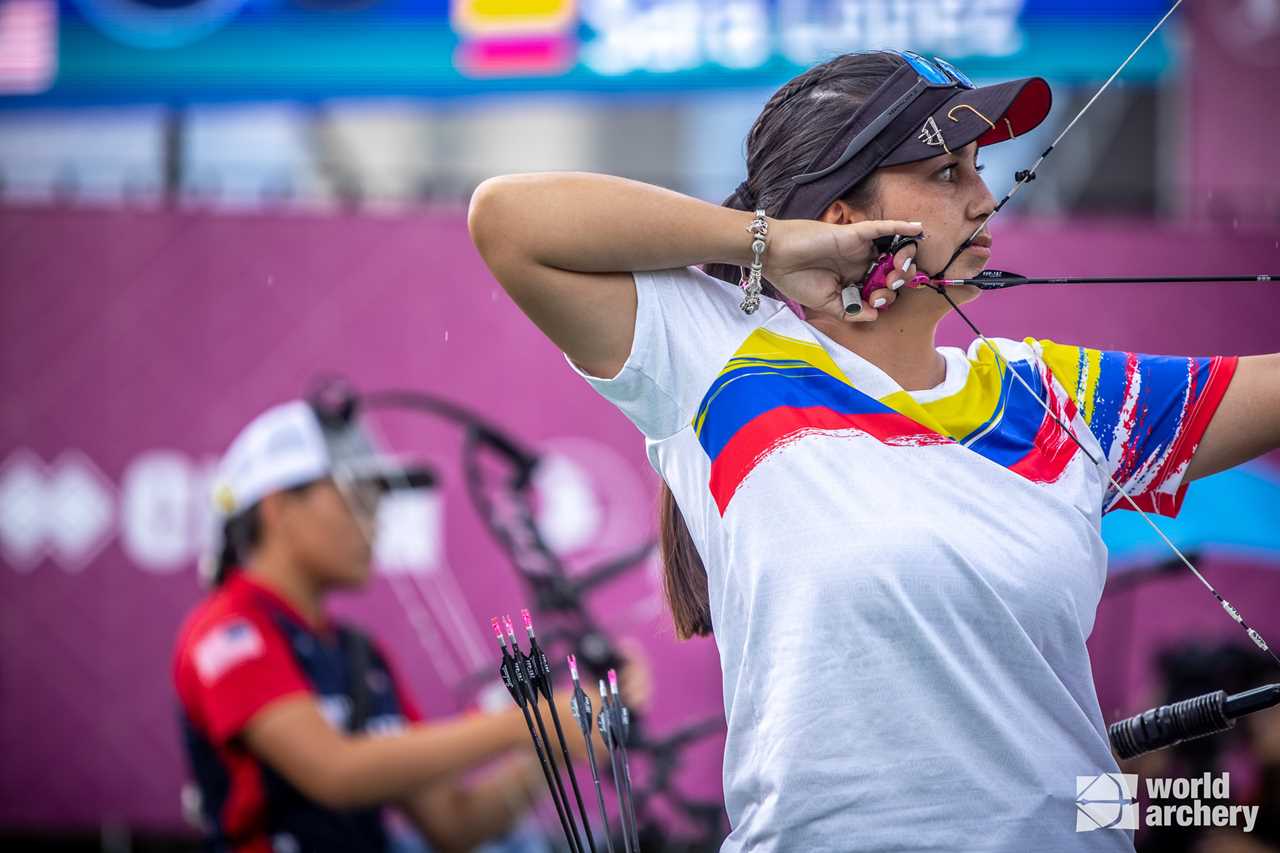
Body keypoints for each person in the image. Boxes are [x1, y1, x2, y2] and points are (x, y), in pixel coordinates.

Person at [466, 49, 1280, 851]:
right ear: (843, 217)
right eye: (945, 172)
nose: (985, 200)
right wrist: (771, 245)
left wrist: (1179, 803)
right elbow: (507, 219)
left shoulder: (1057, 395)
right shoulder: (721, 353)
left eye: (980, 168)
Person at [172, 397, 650, 852]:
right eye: (356, 498)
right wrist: (527, 724)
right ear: (278, 508)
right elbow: (334, 771)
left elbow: (455, 825)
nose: (375, 522)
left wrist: (570, 737)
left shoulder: (359, 655)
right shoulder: (228, 631)